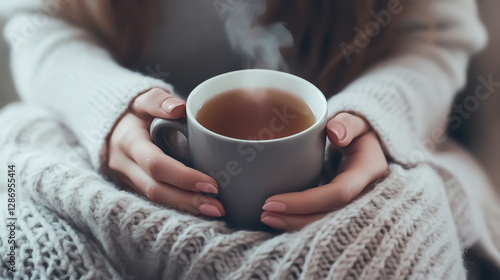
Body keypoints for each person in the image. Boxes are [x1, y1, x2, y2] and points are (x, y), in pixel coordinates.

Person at [1, 0, 499, 279]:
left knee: (395, 235)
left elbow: (434, 40)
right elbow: (38, 22)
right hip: (113, 151)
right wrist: (106, 107)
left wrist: (377, 115)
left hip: (360, 156)